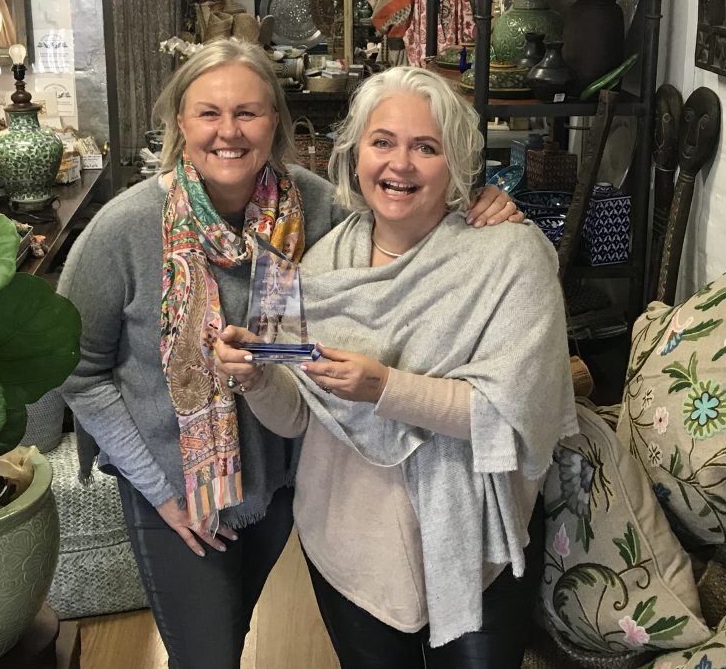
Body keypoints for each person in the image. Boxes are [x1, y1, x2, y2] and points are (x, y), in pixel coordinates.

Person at [58, 39, 522, 669]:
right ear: (180, 125)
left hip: (279, 480)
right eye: (209, 114)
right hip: (179, 491)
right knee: (208, 656)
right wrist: (160, 490)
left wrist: (481, 207)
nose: (229, 131)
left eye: (247, 112)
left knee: (232, 632)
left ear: (276, 120)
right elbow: (77, 374)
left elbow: (403, 217)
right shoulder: (123, 230)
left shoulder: (316, 209)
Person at [214, 66, 576, 669]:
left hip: (474, 545)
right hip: (350, 545)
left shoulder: (512, 257)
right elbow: (299, 416)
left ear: (457, 164)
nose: (399, 165)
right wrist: (255, 378)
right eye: (382, 142)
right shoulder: (322, 262)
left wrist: (385, 387)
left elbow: (514, 417)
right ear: (356, 153)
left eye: (425, 147)